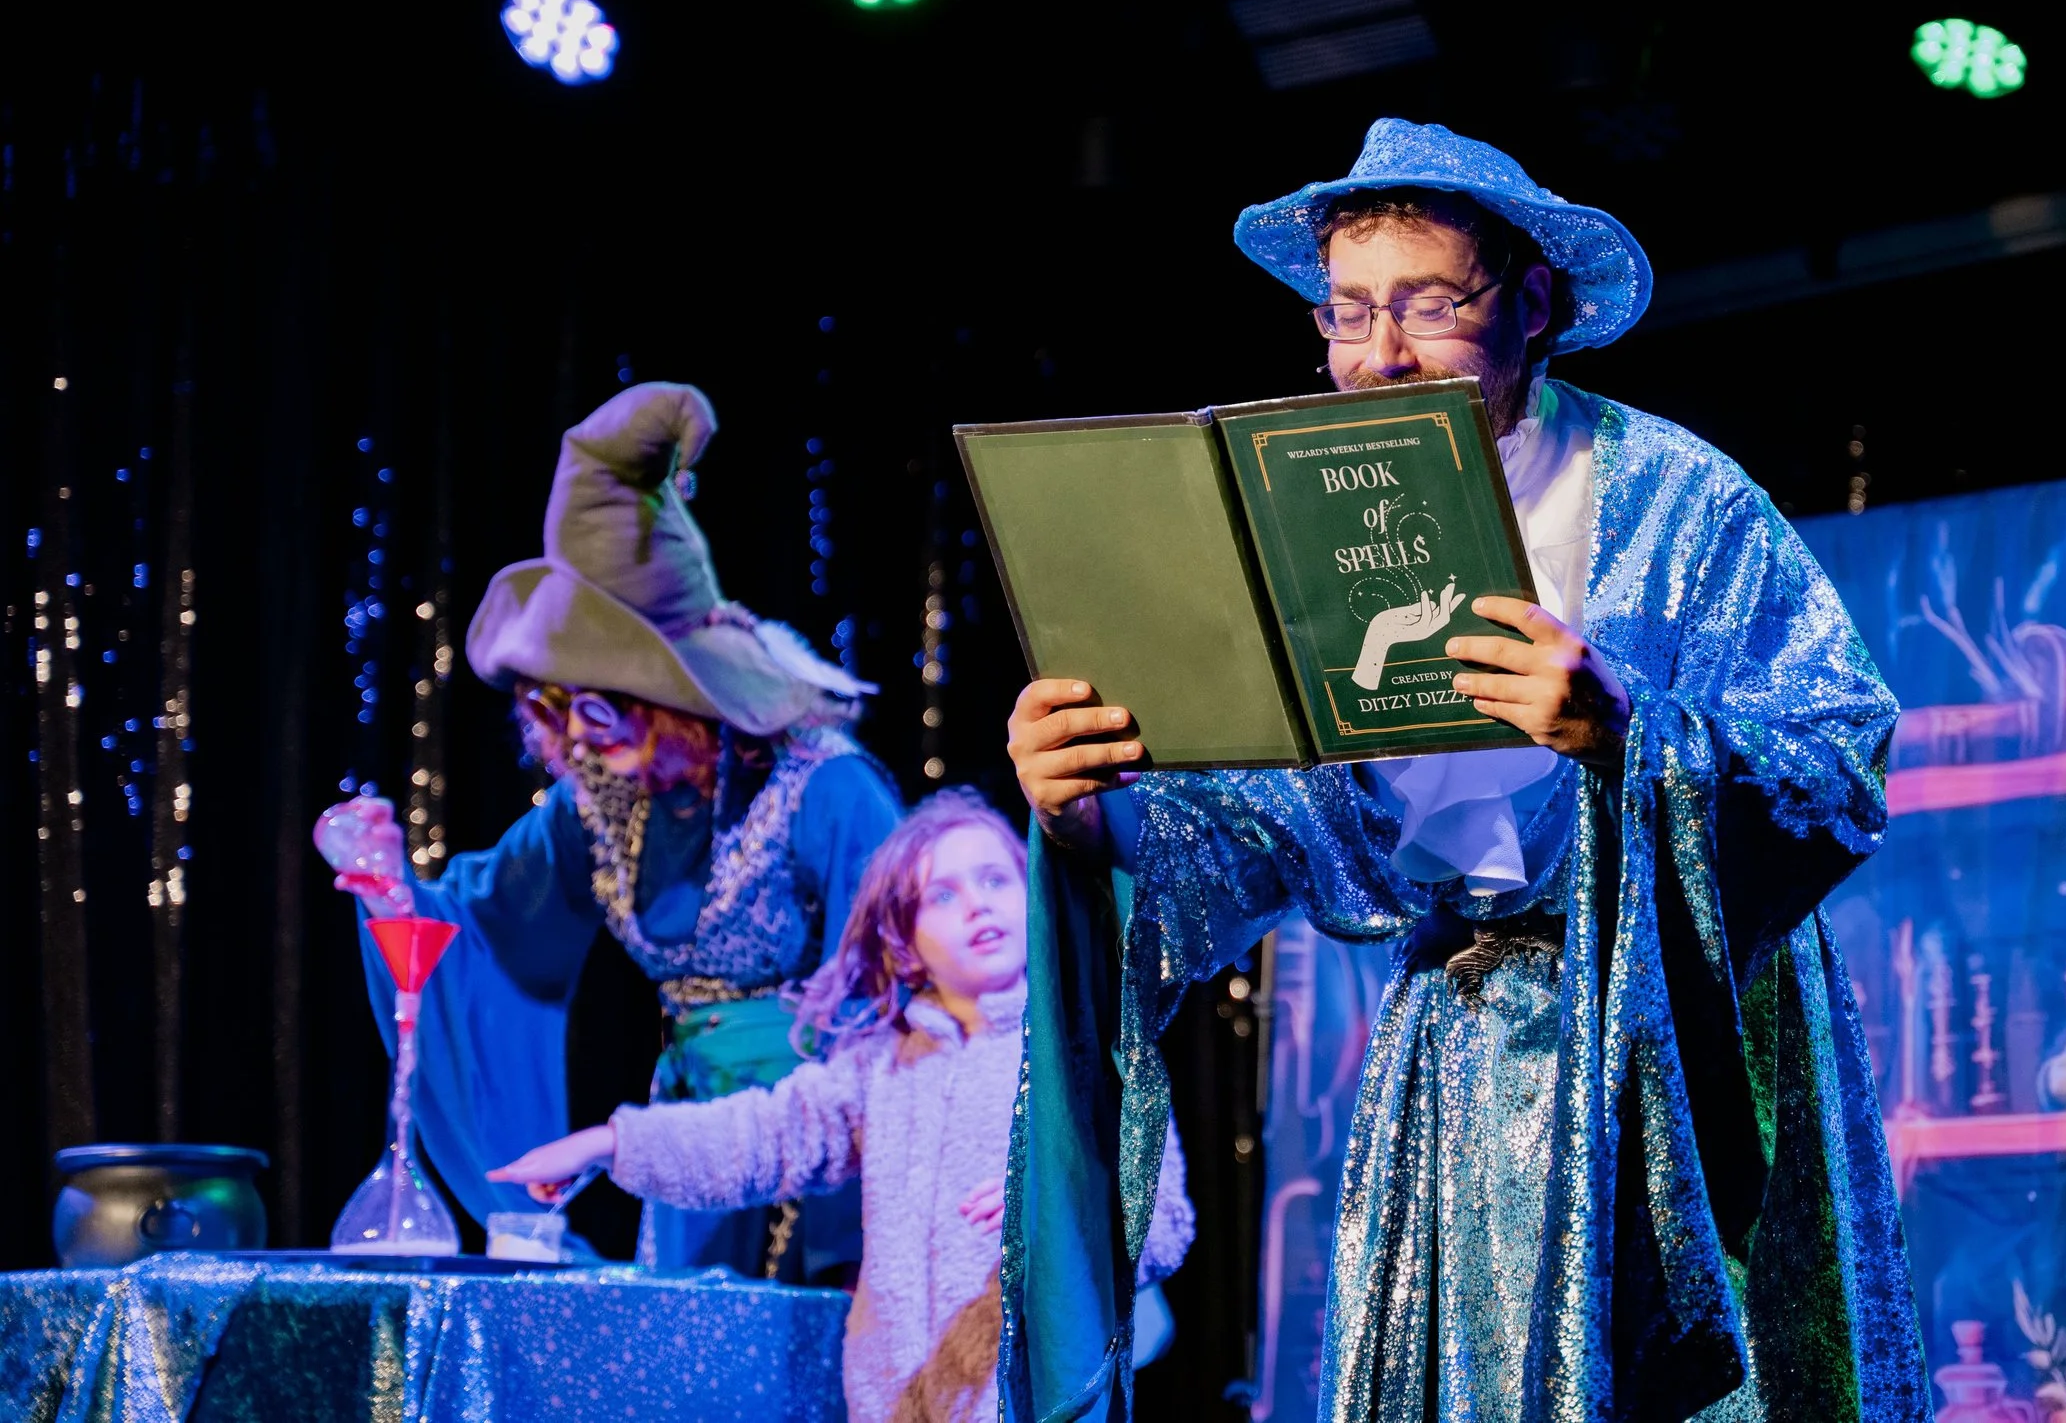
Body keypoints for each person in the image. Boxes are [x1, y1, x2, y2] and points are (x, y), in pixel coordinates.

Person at [1001, 120, 1922, 1421]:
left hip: (1665, 1056)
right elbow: (1268, 823)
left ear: (1535, 302)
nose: (1379, 354)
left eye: (1430, 304)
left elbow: (1839, 756)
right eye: (1347, 313)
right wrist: (1093, 804)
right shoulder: (1318, 531)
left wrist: (1631, 728)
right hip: (1463, 1053)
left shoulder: (1672, 496)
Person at [316, 382, 903, 1278]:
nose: (579, 736)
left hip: (835, 1167)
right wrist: (393, 886)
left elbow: (909, 995)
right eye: (554, 705)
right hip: (691, 1162)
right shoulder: (598, 804)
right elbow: (484, 929)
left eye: (602, 704)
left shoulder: (827, 788)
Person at [489, 789, 1195, 1423]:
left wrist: (1052, 1209)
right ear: (904, 942)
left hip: (1035, 1400)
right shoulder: (879, 1070)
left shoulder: (1089, 1054)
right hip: (894, 1402)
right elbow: (757, 1136)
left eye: (995, 879)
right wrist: (610, 1143)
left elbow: (1162, 1220)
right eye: (941, 894)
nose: (977, 903)